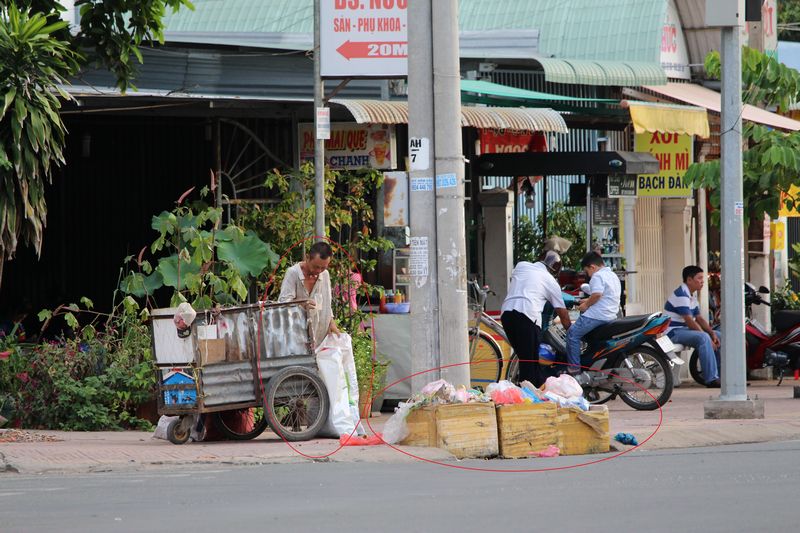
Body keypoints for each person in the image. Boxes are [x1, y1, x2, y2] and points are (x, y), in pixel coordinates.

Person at [501, 251, 572, 387]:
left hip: (507, 315)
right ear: (554, 271)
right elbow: (562, 313)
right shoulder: (550, 281)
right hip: (527, 316)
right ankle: (529, 397)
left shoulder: (521, 266)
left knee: (525, 358)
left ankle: (530, 390)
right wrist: (572, 330)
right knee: (530, 362)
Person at [664, 265, 721, 388]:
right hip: (673, 332)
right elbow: (689, 320)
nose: (703, 281)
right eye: (699, 278)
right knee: (703, 338)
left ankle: (720, 376)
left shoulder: (691, 295)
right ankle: (711, 379)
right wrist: (706, 335)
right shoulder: (681, 295)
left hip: (684, 330)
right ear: (689, 280)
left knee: (719, 336)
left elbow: (699, 318)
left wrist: (712, 333)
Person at [566, 251, 621, 376]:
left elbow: (597, 294)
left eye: (587, 271)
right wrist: (586, 300)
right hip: (610, 315)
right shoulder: (612, 275)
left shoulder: (597, 276)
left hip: (597, 316)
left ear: (592, 267)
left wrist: (586, 305)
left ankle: (574, 372)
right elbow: (605, 296)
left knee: (572, 334)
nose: (588, 275)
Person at [278, 241, 340, 347]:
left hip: (320, 336)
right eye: (316, 267)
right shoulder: (293, 273)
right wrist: (301, 304)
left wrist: (331, 323)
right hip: (296, 335)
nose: (319, 271)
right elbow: (282, 304)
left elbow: (327, 304)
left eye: (323, 267)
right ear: (308, 257)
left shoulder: (325, 275)